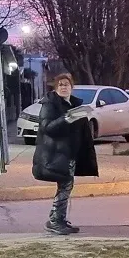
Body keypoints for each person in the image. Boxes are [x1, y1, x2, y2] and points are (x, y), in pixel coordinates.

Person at [32, 73, 98, 235]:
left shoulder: (74, 104)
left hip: (70, 154)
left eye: (66, 84)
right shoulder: (50, 105)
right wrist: (67, 118)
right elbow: (47, 128)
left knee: (66, 186)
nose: (63, 87)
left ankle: (59, 219)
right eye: (60, 84)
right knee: (66, 185)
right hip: (55, 154)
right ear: (55, 88)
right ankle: (55, 220)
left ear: (71, 87)